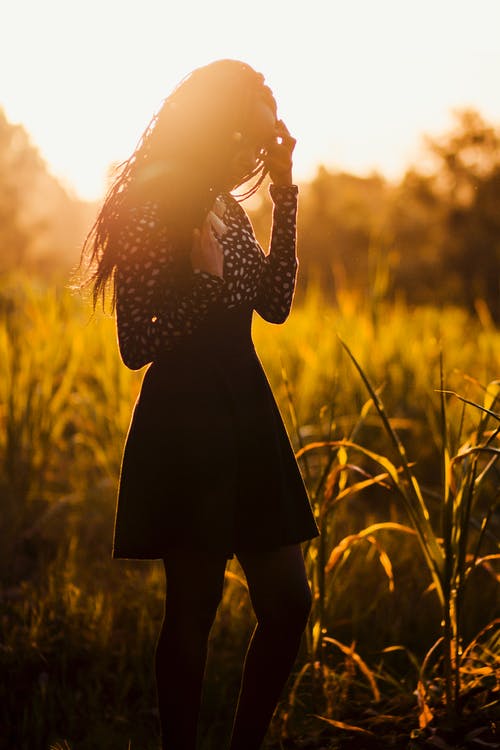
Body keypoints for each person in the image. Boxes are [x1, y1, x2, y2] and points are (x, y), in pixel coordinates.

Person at [81, 59, 319, 750]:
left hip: (246, 409)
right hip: (186, 420)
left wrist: (285, 191)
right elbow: (138, 341)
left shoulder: (229, 207)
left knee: (289, 601)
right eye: (247, 128)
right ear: (219, 124)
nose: (254, 145)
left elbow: (273, 306)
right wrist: (207, 286)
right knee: (194, 611)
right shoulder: (150, 205)